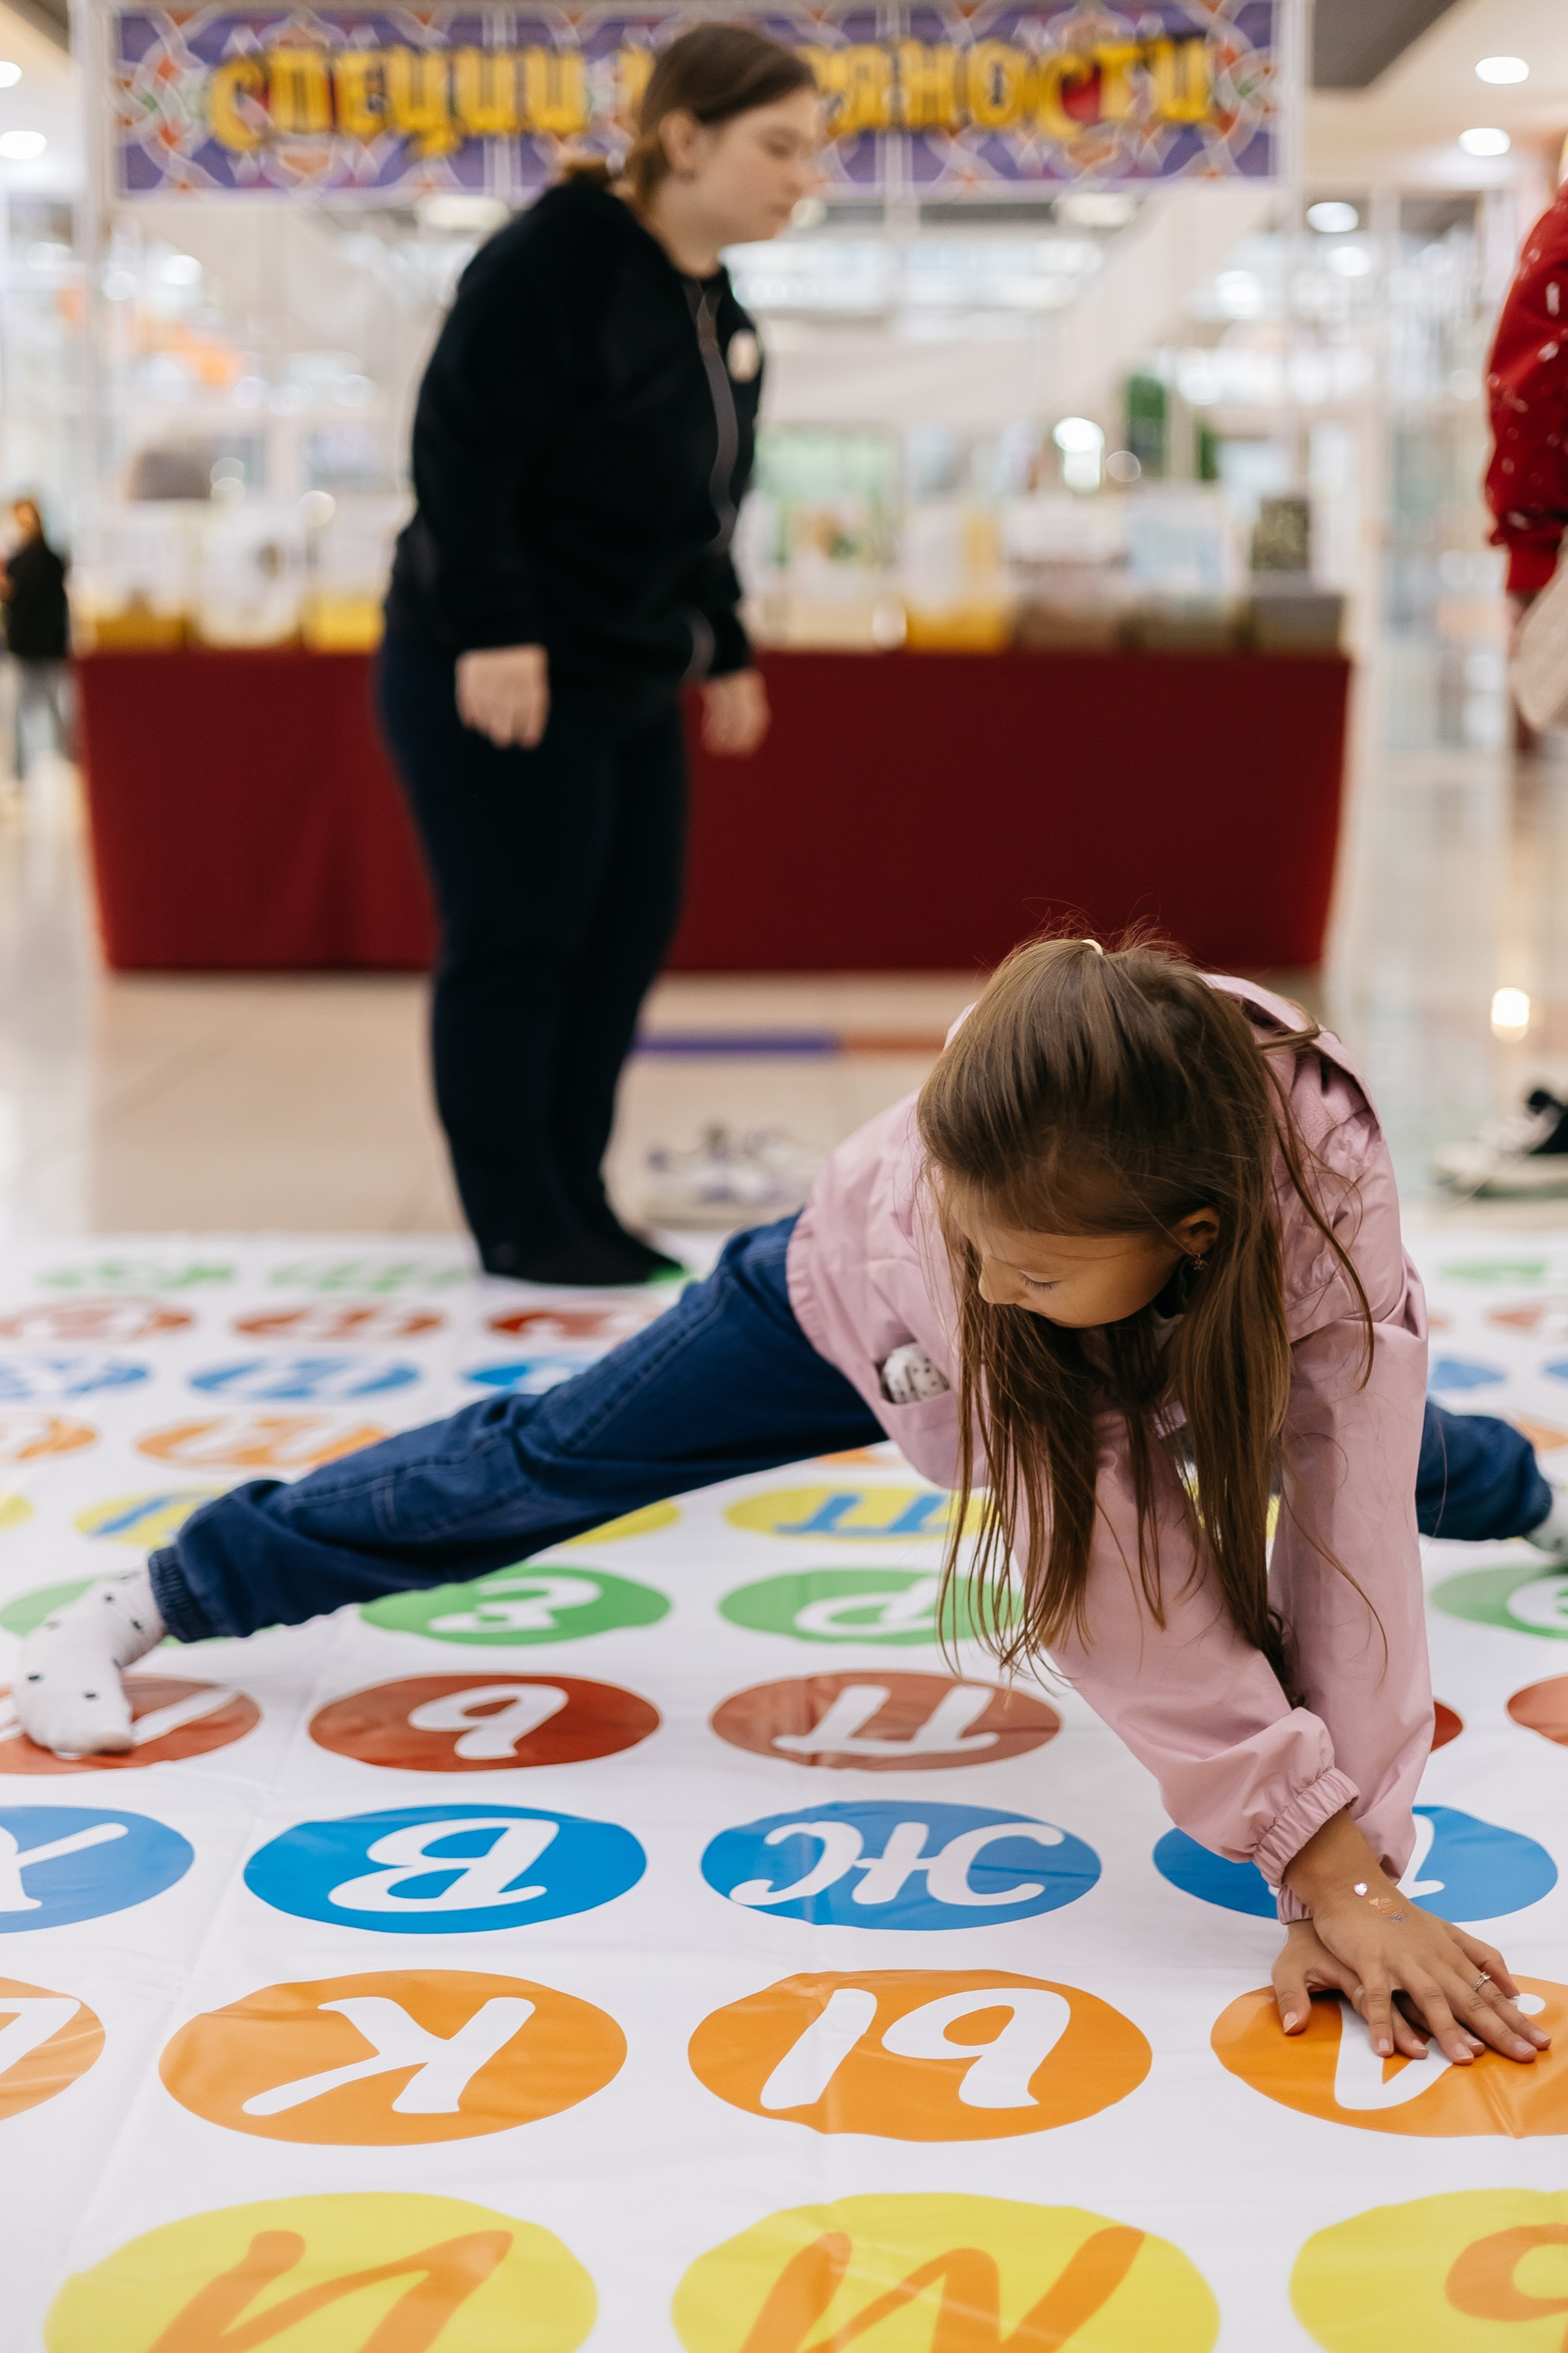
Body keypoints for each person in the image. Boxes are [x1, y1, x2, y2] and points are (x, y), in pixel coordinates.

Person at [15, 937, 1548, 2072]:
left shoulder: (1318, 1187)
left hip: (1205, 1315)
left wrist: (1357, 1865)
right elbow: (1125, 1584)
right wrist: (1314, 1857)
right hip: (847, 1304)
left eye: (1028, 1263)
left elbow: (1348, 1506)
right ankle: (165, 1592)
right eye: (986, 1247)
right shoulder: (958, 1262)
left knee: (1383, 1443)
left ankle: (1535, 1493)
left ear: (1196, 1233)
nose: (993, 1279)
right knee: (545, 1456)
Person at [379, 26, 817, 1287]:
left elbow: (699, 512)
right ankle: (519, 1217)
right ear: (683, 139)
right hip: (502, 667)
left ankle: (576, 1192)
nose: (803, 178)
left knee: (622, 937)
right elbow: (460, 448)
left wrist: (724, 647)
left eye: (810, 151)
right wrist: (493, 625)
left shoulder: (716, 309)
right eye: (777, 147)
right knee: (520, 938)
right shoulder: (557, 261)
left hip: (627, 676)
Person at [0, 497, 70, 779]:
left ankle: (62, 768)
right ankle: (19, 774)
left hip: (46, 647)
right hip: (25, 646)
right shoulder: (17, 562)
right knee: (17, 715)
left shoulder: (49, 561)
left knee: (53, 713)